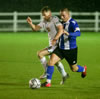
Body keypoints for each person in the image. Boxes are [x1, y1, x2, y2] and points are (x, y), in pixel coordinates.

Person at [42, 8, 87, 87]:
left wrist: (68, 33)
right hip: (61, 49)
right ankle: (48, 82)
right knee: (51, 61)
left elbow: (78, 33)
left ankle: (83, 69)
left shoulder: (73, 23)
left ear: (68, 14)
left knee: (74, 69)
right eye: (61, 15)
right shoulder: (61, 23)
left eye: (63, 15)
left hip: (71, 50)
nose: (62, 17)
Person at [27, 6, 69, 85]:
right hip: (52, 44)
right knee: (55, 62)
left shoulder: (55, 19)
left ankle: (47, 72)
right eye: (42, 15)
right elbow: (35, 28)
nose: (43, 16)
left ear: (49, 13)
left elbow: (61, 29)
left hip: (57, 45)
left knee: (40, 53)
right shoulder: (44, 21)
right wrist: (31, 23)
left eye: (45, 15)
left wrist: (55, 39)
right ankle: (64, 75)